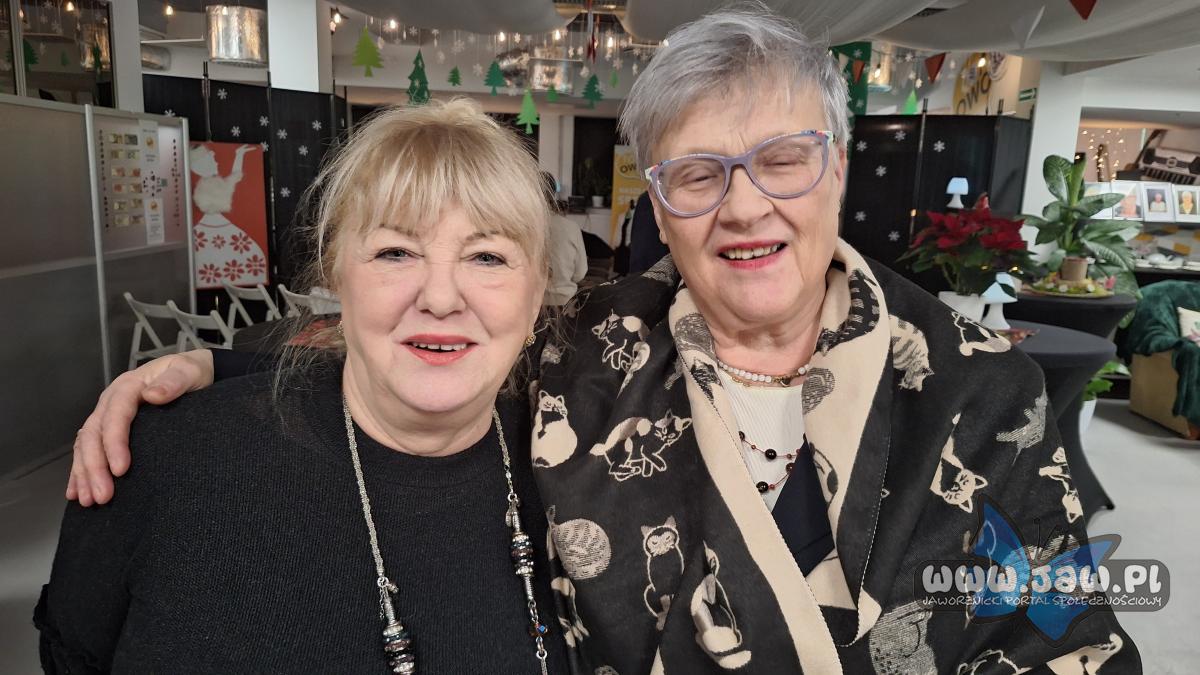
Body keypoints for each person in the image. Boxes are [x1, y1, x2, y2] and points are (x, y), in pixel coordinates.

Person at [67, 7, 1140, 674]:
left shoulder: (980, 385)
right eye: (698, 174)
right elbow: (425, 350)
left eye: (782, 158)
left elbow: (1066, 628)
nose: (744, 206)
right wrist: (212, 370)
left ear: (840, 167)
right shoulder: (596, 345)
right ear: (657, 206)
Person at [39, 99, 568, 674]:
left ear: (537, 293)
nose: (440, 298)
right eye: (395, 252)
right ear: (336, 273)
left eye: (487, 257)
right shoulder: (167, 459)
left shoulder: (578, 461)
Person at [542, 171, 589, 305]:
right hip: (565, 303)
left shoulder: (522, 227)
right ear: (554, 193)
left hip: (530, 303)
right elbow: (580, 273)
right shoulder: (571, 227)